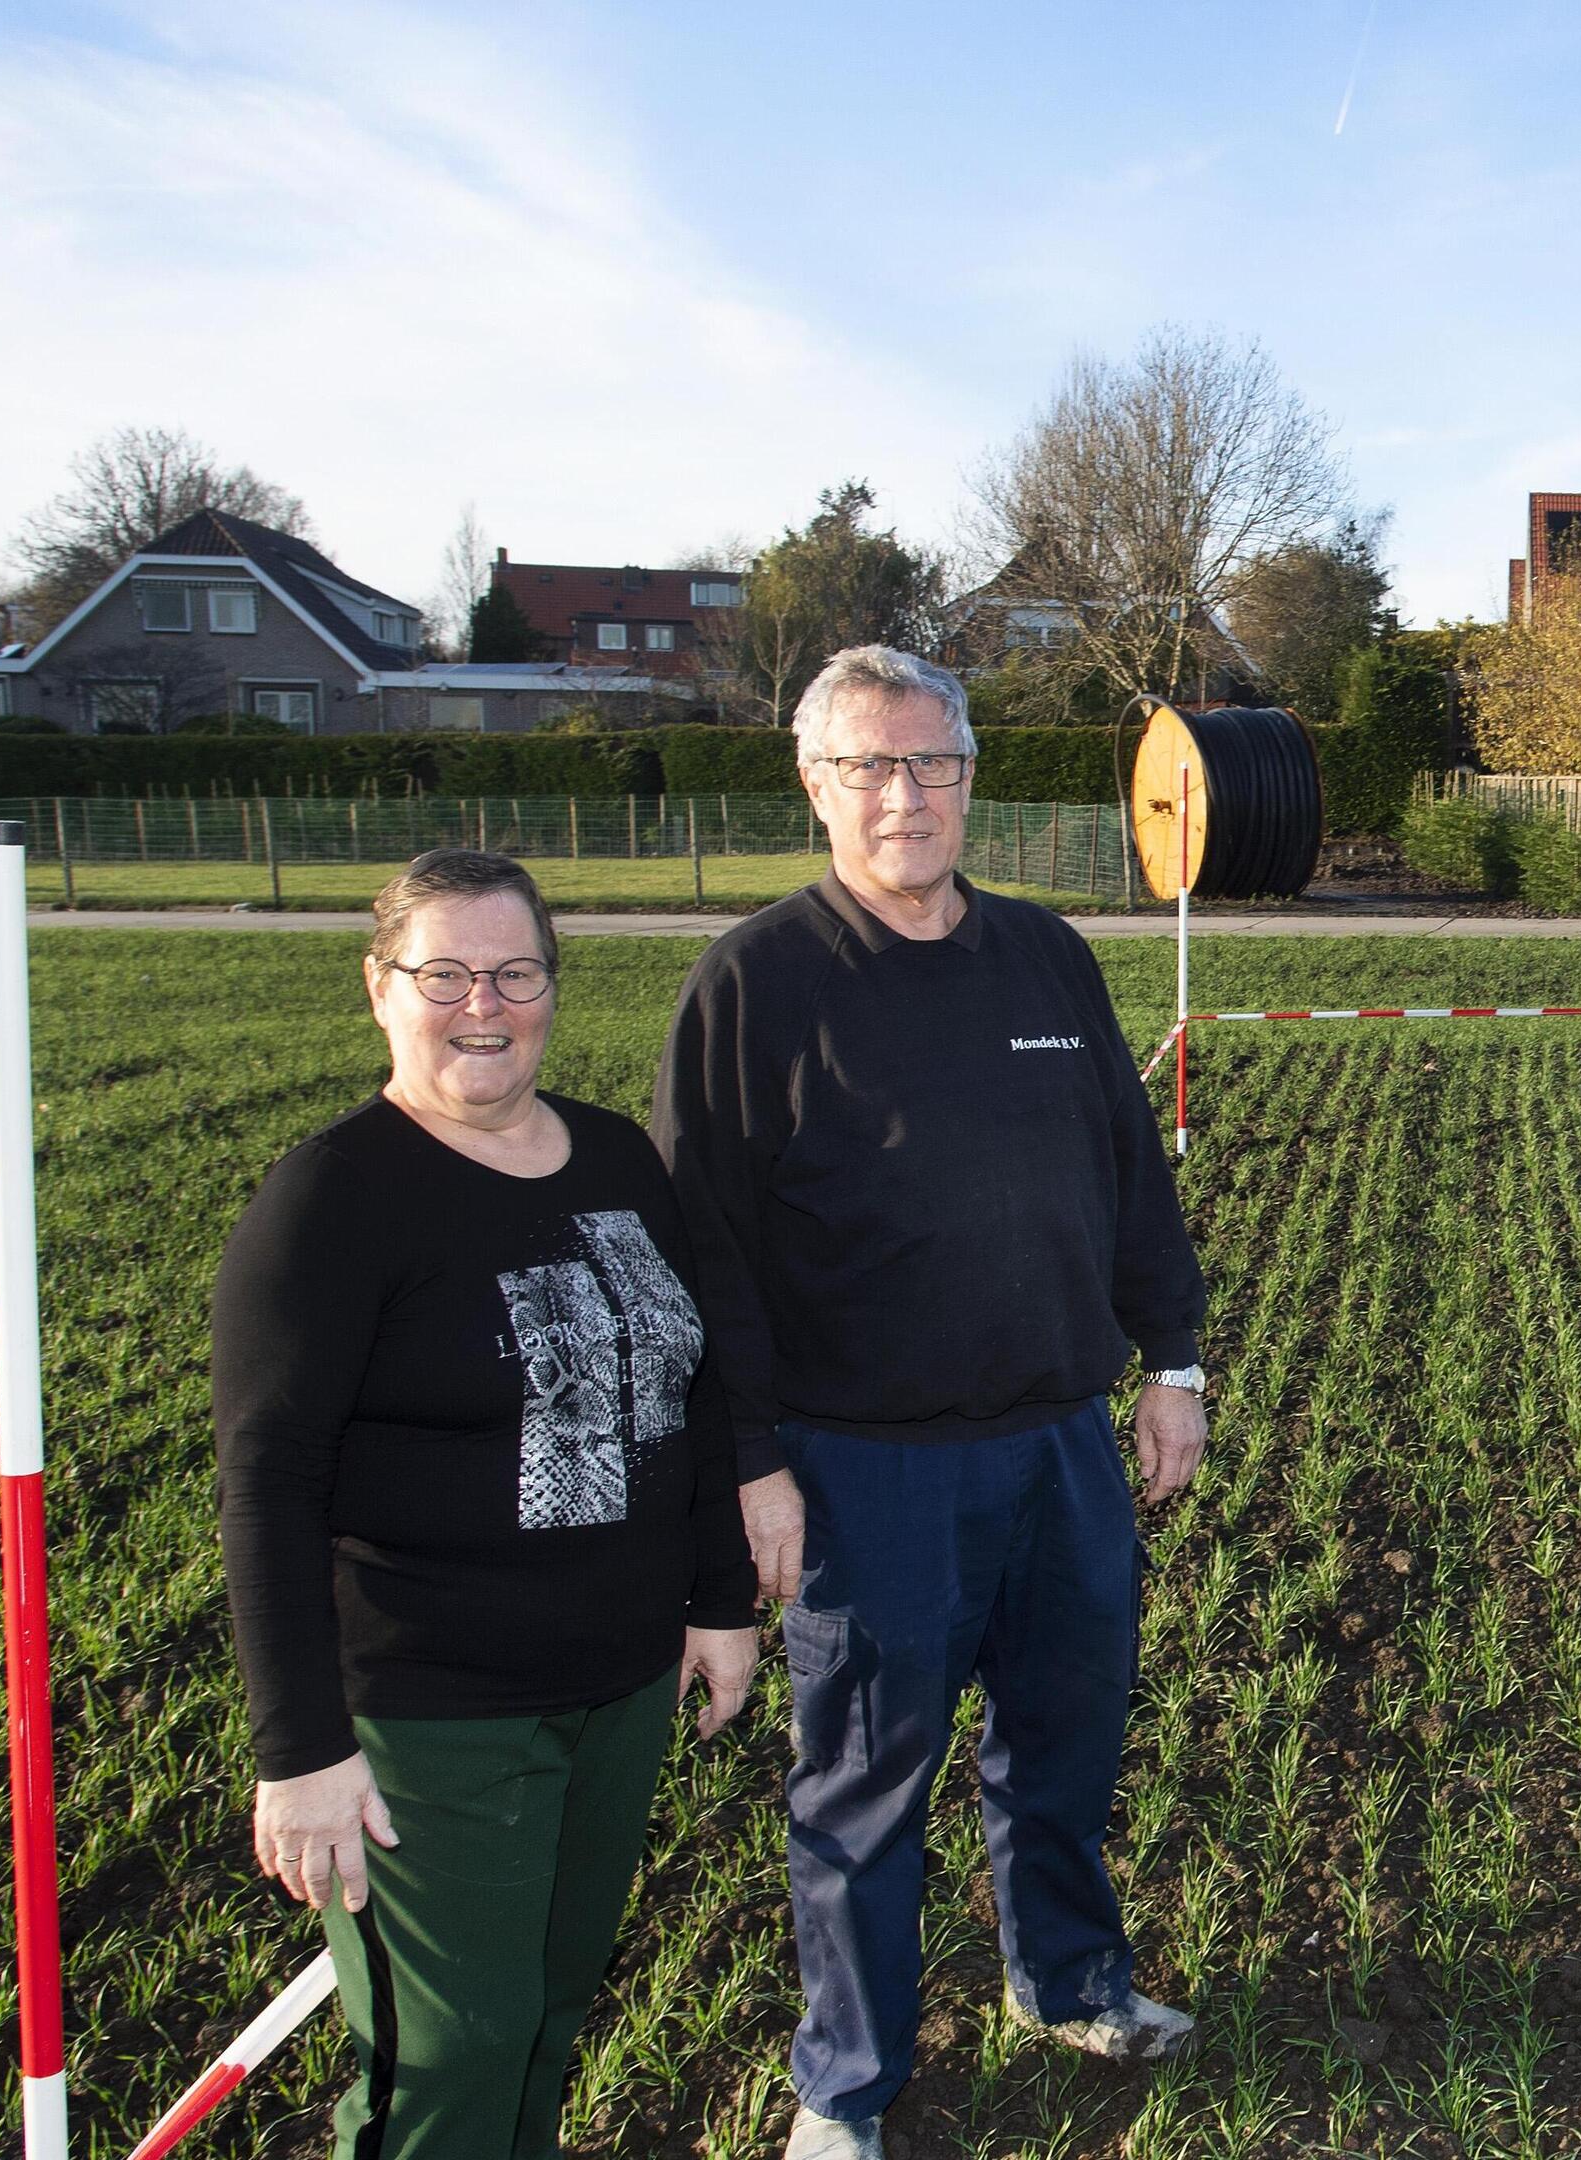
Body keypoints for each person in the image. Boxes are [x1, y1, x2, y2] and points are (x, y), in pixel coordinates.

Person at [655, 645, 1209, 2160]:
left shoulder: (1046, 958)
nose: (907, 795)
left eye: (935, 764)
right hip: (865, 1472)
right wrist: (749, 1464)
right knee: (861, 1796)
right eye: (871, 768)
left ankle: (1072, 1980)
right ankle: (846, 2086)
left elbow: (1127, 1176)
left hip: (1059, 1449)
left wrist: (1172, 1365)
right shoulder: (755, 986)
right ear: (817, 787)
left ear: (971, 778)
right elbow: (706, 1260)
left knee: (1066, 1741)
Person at [216, 848, 760, 2160]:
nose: (483, 1004)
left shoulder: (620, 1160)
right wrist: (299, 1753)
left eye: (515, 973)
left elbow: (680, 1392)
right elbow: (269, 1482)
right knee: (450, 2052)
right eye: (444, 973)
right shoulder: (335, 1197)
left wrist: (719, 1600)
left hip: (618, 1691)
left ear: (551, 989)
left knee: (548, 2015)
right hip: (432, 1716)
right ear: (379, 988)